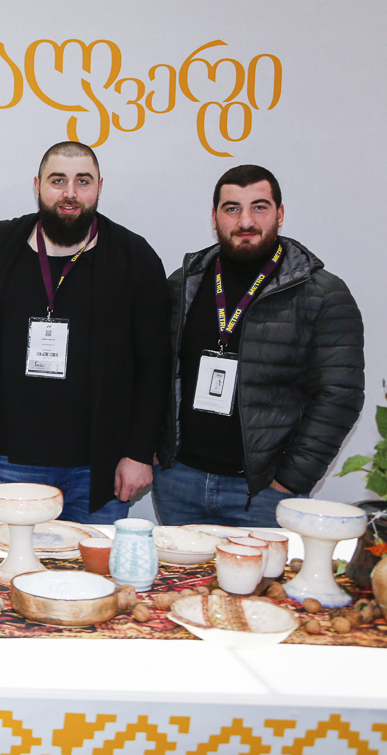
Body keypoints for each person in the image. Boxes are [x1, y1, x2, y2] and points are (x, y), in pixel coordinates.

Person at [0, 142, 170, 523]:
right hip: (12, 461)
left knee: (95, 564)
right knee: (14, 562)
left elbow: (155, 365)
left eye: (82, 181)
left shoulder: (134, 258)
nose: (70, 193)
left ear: (99, 187)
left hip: (100, 467)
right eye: (58, 181)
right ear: (37, 185)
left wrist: (139, 453)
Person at [154, 165, 364, 526]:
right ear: (215, 217)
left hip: (264, 494)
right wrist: (155, 451)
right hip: (179, 483)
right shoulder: (184, 283)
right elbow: (153, 370)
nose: (246, 221)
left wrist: (289, 481)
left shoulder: (323, 294)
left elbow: (340, 396)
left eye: (259, 207)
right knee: (182, 569)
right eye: (232, 208)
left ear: (280, 214)